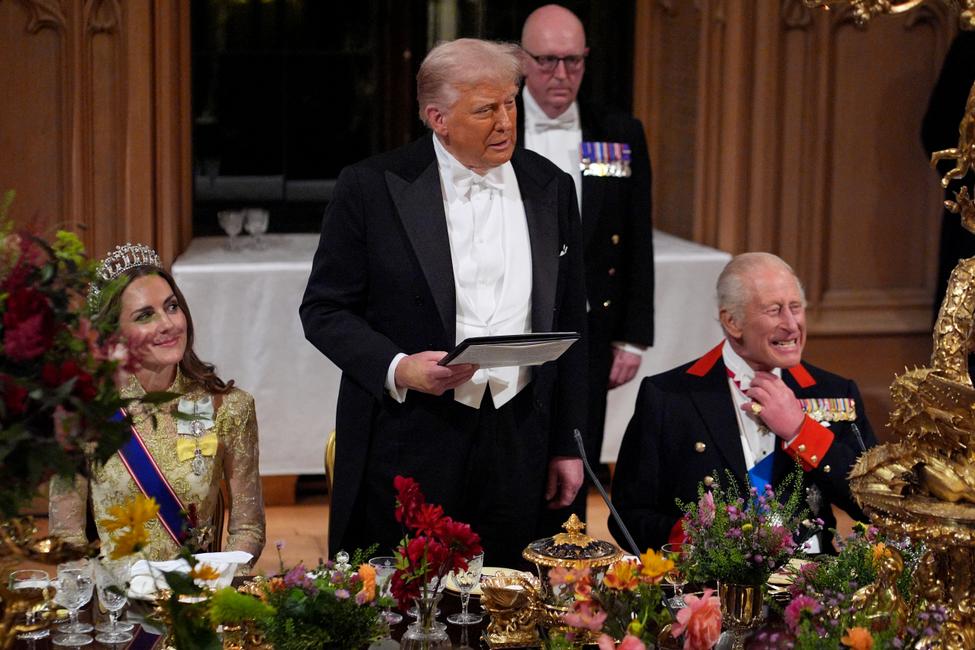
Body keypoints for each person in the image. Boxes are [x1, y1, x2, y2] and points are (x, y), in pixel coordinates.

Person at [299, 38, 588, 568]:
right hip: (413, 436)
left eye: (510, 102)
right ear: (438, 118)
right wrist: (399, 368)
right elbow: (323, 310)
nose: (505, 121)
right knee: (410, 601)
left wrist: (570, 444)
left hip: (520, 435)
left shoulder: (551, 187)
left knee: (512, 598)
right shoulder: (371, 188)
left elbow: (571, 321)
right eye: (485, 110)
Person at [611, 252, 876, 552]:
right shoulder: (670, 397)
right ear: (732, 321)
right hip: (708, 589)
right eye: (775, 310)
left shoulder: (837, 393)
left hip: (809, 588)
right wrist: (701, 539)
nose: (792, 325)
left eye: (796, 308)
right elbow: (627, 516)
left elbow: (874, 506)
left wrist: (801, 432)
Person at [49, 243, 266, 562]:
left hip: (194, 601)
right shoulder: (81, 415)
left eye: (172, 306)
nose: (168, 324)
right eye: (145, 315)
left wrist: (217, 585)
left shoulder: (229, 408)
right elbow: (66, 538)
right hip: (117, 605)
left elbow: (248, 529)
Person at [518, 5, 654, 501]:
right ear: (522, 60)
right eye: (548, 61)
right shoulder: (497, 126)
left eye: (573, 61)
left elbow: (636, 234)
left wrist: (634, 338)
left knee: (579, 455)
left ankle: (571, 563)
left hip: (593, 322)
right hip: (516, 315)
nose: (561, 75)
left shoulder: (617, 133)